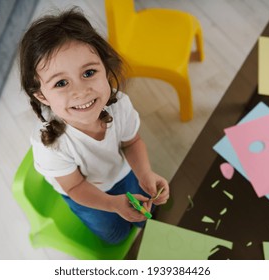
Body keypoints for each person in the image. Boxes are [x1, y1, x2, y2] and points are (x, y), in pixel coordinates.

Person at [19, 8, 169, 244]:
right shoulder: (50, 146)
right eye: (61, 83)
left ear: (106, 69)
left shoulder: (119, 104)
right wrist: (111, 204)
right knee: (116, 236)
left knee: (148, 215)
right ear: (42, 96)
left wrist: (145, 173)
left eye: (89, 72)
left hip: (120, 172)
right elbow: (75, 187)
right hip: (83, 190)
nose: (81, 91)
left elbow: (132, 142)